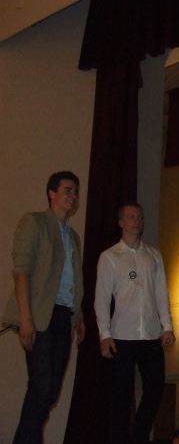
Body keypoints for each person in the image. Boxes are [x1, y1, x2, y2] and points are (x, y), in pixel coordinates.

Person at [2, 171, 85, 443]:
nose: (73, 195)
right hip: (39, 317)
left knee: (49, 392)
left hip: (63, 317)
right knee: (41, 387)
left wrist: (78, 316)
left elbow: (72, 279)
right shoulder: (34, 222)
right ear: (51, 193)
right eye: (67, 190)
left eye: (76, 191)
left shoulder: (73, 237)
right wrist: (26, 319)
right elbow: (21, 272)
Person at [94, 202, 175, 444]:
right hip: (121, 335)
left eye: (139, 217)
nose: (136, 221)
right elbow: (101, 299)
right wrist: (104, 334)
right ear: (121, 222)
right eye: (130, 217)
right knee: (121, 395)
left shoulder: (154, 255)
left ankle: (138, 437)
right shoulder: (109, 257)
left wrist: (167, 326)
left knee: (155, 387)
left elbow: (161, 293)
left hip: (150, 335)